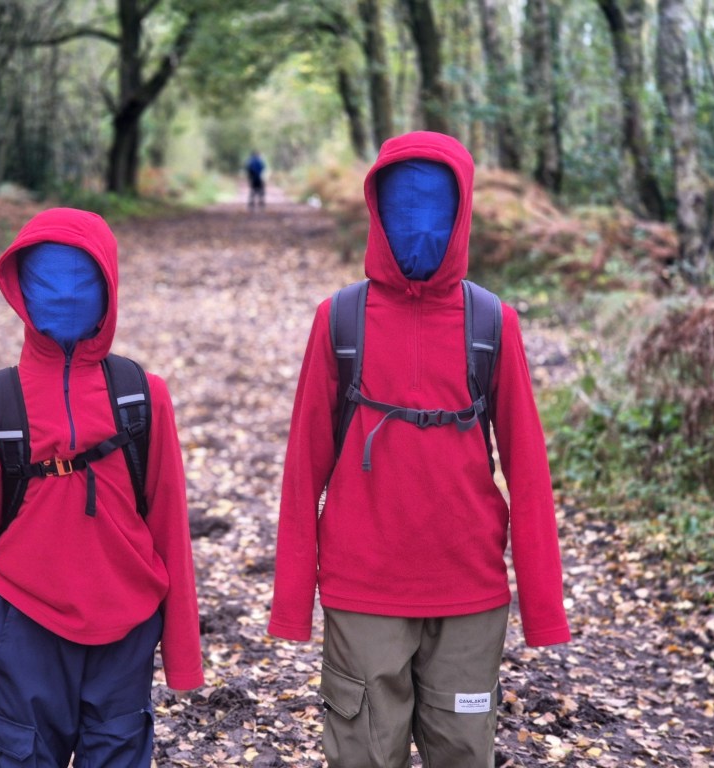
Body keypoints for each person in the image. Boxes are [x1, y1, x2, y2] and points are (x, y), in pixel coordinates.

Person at [268, 131, 571, 767]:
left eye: (435, 208)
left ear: (461, 214)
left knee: (463, 754)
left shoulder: (492, 323)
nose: (418, 226)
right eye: (401, 207)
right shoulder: (339, 321)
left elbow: (528, 468)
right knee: (364, 758)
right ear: (376, 212)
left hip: (470, 595)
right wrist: (292, 603)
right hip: (362, 593)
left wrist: (544, 608)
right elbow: (303, 470)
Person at [0, 207, 204, 766]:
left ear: (109, 289)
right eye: (47, 281)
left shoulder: (143, 395)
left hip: (128, 627)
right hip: (25, 629)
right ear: (20, 290)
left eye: (82, 281)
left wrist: (184, 658)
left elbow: (170, 527)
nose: (64, 296)